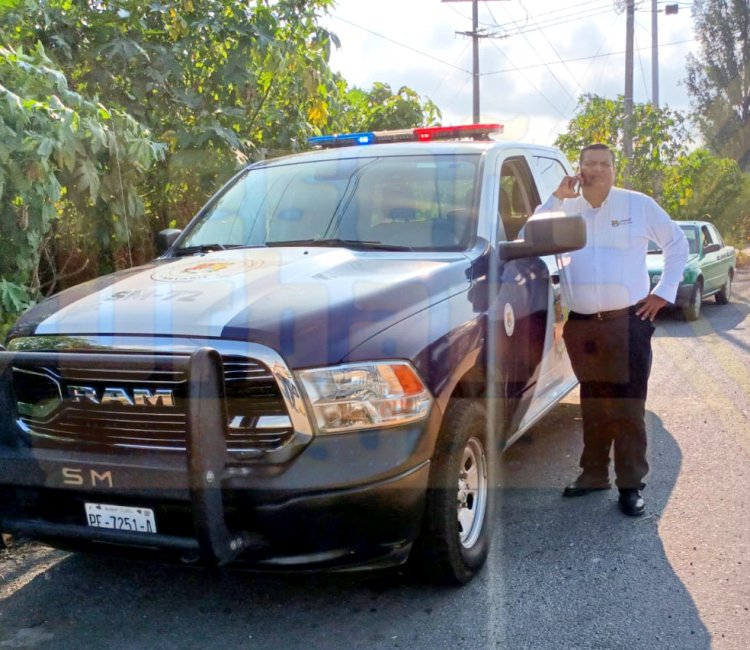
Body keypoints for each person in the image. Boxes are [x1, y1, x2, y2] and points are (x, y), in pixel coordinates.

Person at [535, 143, 688, 516]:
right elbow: (532, 237)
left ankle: (631, 485)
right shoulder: (564, 207)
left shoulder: (637, 204)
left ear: (614, 169)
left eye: (605, 163)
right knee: (593, 402)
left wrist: (662, 293)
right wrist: (556, 196)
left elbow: (676, 243)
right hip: (583, 325)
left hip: (629, 322)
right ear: (579, 169)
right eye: (591, 163)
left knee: (628, 406)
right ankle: (593, 475)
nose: (598, 169)